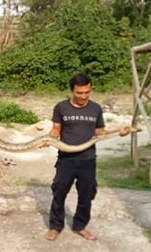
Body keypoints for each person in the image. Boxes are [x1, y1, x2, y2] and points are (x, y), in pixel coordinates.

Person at [44, 73, 130, 241]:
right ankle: (55, 226)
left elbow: (99, 131)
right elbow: (56, 129)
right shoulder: (61, 107)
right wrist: (48, 140)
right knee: (59, 192)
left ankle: (80, 226)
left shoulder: (96, 108)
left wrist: (118, 132)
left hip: (88, 159)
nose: (83, 96)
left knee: (87, 195)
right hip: (66, 160)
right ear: (72, 91)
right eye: (79, 93)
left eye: (87, 92)